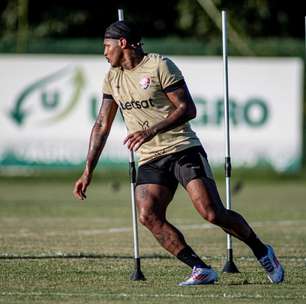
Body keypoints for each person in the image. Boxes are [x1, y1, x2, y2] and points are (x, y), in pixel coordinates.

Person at [73, 20, 284, 286]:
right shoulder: (111, 77)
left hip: (183, 148)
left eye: (106, 46)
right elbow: (101, 125)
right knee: (148, 215)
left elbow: (188, 109)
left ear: (122, 43)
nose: (104, 52)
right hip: (150, 157)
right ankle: (200, 268)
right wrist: (87, 170)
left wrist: (150, 131)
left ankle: (263, 251)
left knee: (211, 213)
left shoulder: (160, 65)